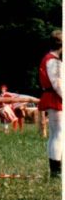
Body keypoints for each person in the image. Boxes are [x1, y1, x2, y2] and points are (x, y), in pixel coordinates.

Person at [38, 29, 62, 177]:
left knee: (55, 134)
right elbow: (58, 84)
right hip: (56, 97)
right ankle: (56, 170)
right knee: (58, 134)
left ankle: (56, 168)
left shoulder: (49, 58)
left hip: (53, 96)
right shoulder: (53, 60)